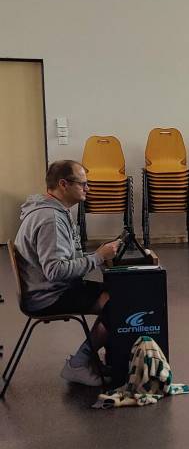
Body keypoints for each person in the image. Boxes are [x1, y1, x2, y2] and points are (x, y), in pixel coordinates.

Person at [14, 160, 121, 386]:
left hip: (47, 289)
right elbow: (55, 270)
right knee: (122, 303)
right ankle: (79, 364)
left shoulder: (53, 211)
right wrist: (97, 257)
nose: (87, 188)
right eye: (82, 183)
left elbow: (65, 259)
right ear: (63, 184)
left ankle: (91, 360)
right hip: (48, 296)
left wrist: (98, 256)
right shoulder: (51, 219)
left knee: (119, 294)